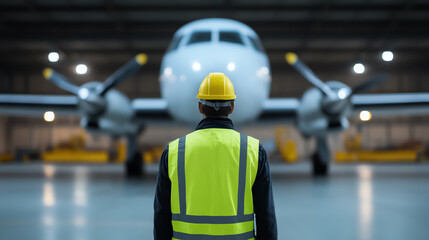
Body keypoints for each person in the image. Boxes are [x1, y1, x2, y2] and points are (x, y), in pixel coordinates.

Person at [154, 72, 277, 240]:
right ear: (232, 107)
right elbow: (266, 217)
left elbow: (161, 216)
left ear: (200, 107)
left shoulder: (173, 151)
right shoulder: (254, 151)